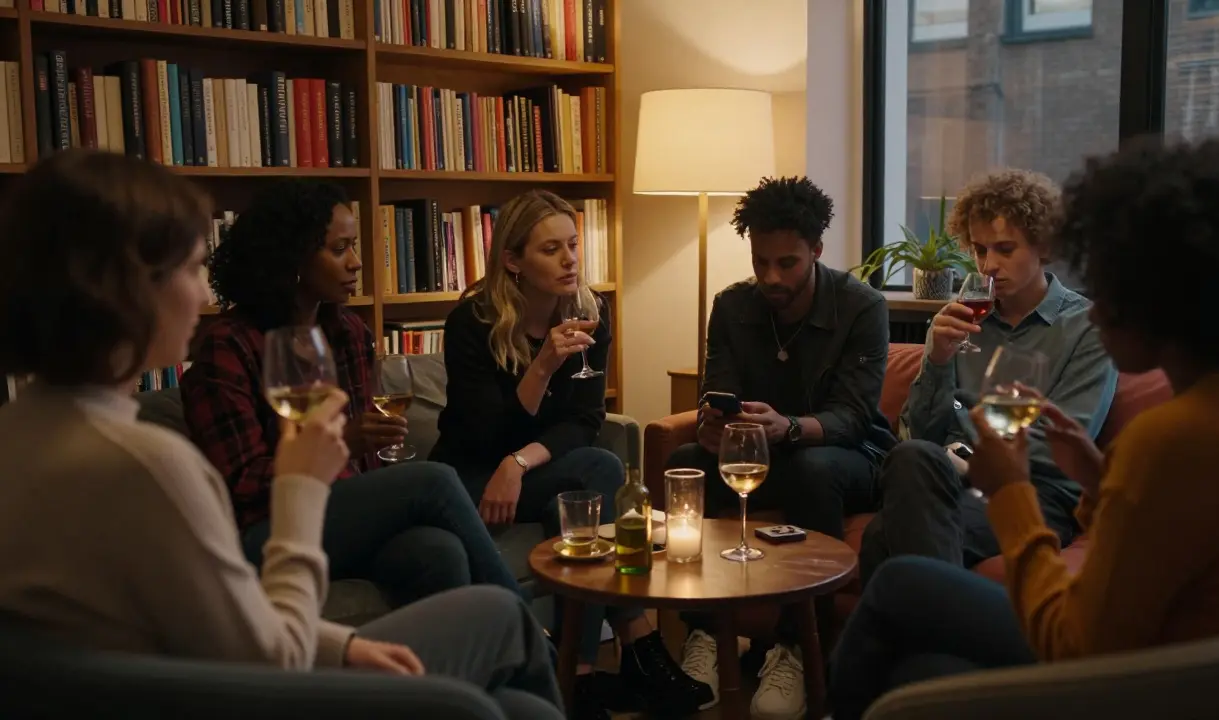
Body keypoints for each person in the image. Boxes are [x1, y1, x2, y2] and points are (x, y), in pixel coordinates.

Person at [0, 149, 563, 720]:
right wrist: (299, 481)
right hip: (252, 692)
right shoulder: (147, 461)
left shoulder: (21, 434)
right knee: (497, 606)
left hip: (201, 675)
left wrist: (343, 643)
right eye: (190, 269)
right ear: (121, 288)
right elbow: (273, 651)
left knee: (445, 566)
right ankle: (535, 651)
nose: (201, 295)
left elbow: (208, 615)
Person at [829, 136, 1219, 718]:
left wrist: (1013, 489)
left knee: (901, 584)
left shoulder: (1173, 438)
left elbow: (1074, 640)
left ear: (1164, 294)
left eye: (1108, 278)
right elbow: (1153, 538)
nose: (1097, 305)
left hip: (1138, 685)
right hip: (1192, 674)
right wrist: (1098, 476)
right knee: (922, 668)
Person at [430, 189, 711, 719]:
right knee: (588, 480)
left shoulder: (590, 312)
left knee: (599, 466)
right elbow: (486, 435)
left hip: (520, 468)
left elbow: (584, 423)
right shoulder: (472, 322)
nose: (570, 260)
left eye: (574, 245)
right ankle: (637, 643)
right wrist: (541, 368)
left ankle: (578, 674)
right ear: (512, 260)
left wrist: (520, 465)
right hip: (466, 471)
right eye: (551, 249)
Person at [180, 179, 522, 610]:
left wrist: (365, 460)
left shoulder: (347, 334)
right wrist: (343, 444)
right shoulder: (229, 347)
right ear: (294, 258)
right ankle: (530, 639)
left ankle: (457, 674)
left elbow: (364, 469)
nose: (357, 263)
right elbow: (240, 484)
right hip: (266, 528)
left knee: (439, 552)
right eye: (339, 249)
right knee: (434, 481)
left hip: (341, 515)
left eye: (354, 246)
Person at [665, 176, 898, 719]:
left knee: (812, 472)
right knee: (684, 464)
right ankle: (706, 633)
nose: (772, 276)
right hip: (757, 448)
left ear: (816, 250)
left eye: (787, 264)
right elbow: (714, 391)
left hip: (847, 455)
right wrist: (710, 425)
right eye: (761, 261)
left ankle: (796, 646)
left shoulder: (863, 307)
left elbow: (856, 417)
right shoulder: (731, 306)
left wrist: (788, 427)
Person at [857, 168, 1118, 584]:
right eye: (979, 251)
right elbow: (919, 432)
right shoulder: (960, 321)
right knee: (910, 458)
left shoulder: (1087, 329)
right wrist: (938, 358)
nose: (989, 265)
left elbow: (1061, 446)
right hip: (945, 481)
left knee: (882, 537)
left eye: (1005, 249)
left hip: (1035, 494)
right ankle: (941, 643)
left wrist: (969, 459)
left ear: (1044, 247)